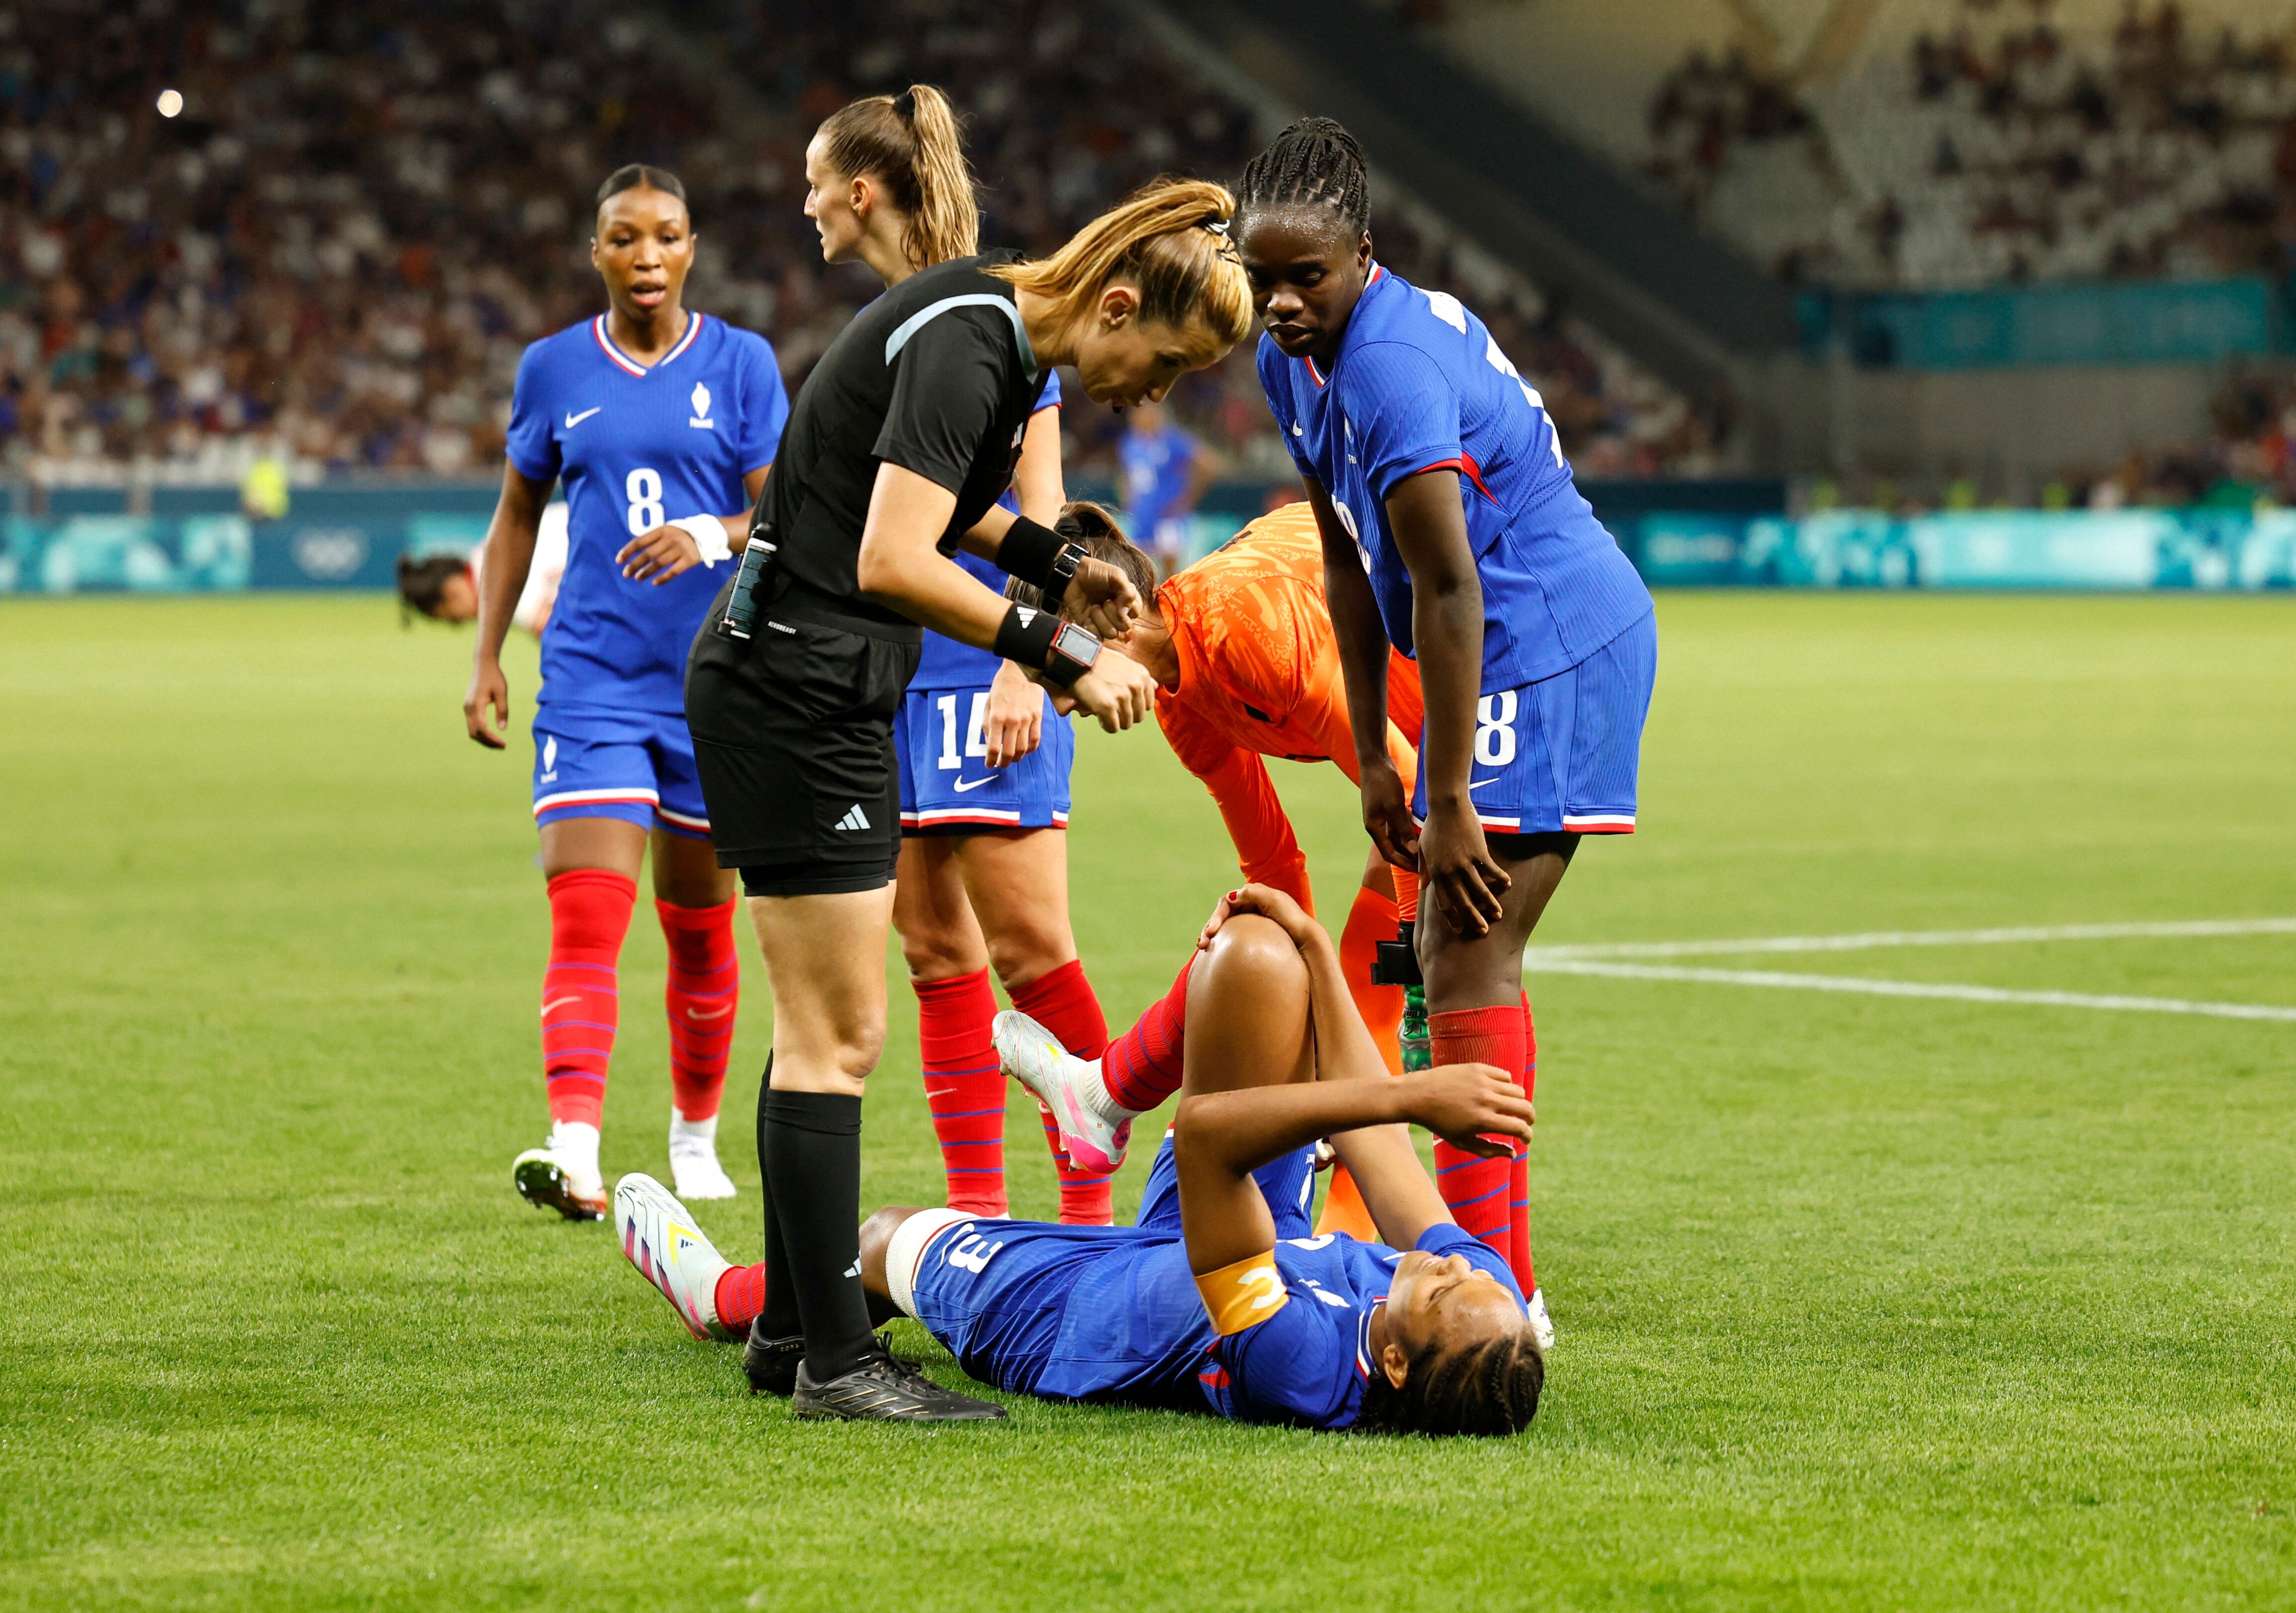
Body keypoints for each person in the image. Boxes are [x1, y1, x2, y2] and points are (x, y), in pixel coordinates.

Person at [678, 177, 1252, 1421]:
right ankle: (836, 1359)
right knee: (839, 1038)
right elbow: (892, 554)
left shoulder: (981, 321)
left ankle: (791, 1325)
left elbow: (950, 499)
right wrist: (1057, 652)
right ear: (1113, 302)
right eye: (1159, 362)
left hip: (808, 678)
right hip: (798, 684)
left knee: (815, 1025)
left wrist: (1059, 563)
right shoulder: (969, 340)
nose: (1150, 395)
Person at [610, 882, 1543, 1434]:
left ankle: (726, 1297)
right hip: (1242, 1235)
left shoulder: (1295, 1364)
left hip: (1099, 1318)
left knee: (890, 1239)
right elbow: (1379, 1146)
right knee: (1259, 957)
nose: (1449, 1260)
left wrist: (1414, 1096)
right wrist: (1313, 946)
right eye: (1466, 1268)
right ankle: (1098, 1094)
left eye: (1436, 1286)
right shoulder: (1483, 1307)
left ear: (1387, 1363)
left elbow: (1217, 1133)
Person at [1234, 118, 1658, 1330]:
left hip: (1551, 637)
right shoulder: (1295, 356)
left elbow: (1451, 585)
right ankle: (1501, 1280)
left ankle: (1492, 1288)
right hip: (1505, 642)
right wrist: (1373, 748)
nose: (1278, 303)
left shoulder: (1389, 367)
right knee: (1455, 954)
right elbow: (1344, 554)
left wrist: (1450, 798)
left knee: (1463, 949)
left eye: (1304, 276)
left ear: (1361, 252)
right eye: (1260, 280)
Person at [802, 86, 1120, 1227]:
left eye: (814, 184)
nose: (803, 208)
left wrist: (1025, 667)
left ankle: (1091, 1221)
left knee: (1032, 945)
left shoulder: (1000, 317)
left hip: (982, 653)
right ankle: (978, 1219)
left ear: (862, 188)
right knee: (937, 952)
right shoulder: (896, 322)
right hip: (892, 662)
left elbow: (1043, 511)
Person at [460, 163, 790, 1219]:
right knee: (586, 917)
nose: (646, 257)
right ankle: (575, 1147)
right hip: (592, 679)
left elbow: (790, 518)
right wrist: (484, 655)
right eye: (623, 238)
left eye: (667, 236)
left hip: (714, 682)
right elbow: (517, 515)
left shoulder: (741, 364)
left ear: (693, 248)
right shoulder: (554, 367)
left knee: (699, 927)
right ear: (594, 251)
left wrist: (713, 532)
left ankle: (695, 1138)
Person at [1007, 499, 1425, 1240]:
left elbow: (1394, 775)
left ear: (1114, 621)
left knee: (1432, 976)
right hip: (1416, 741)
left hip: (1490, 670)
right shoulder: (1181, 704)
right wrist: (1290, 1002)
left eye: (1061, 672)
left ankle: (1503, 1281)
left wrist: (1420, 962)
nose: (1064, 704)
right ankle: (1363, 1231)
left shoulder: (1240, 626)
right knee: (1279, 941)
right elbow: (1276, 864)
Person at [398, 502, 568, 633]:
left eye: (454, 619)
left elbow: (560, 635)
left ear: (452, 590)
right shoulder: (491, 550)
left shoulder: (497, 593)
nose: (460, 625)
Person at [1117, 399, 1219, 576]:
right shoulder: (1130, 443)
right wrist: (1128, 499)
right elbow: (1126, 474)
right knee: (1139, 567)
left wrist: (1187, 499)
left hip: (1168, 515)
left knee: (1170, 568)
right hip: (1143, 515)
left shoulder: (1173, 440)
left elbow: (1208, 464)